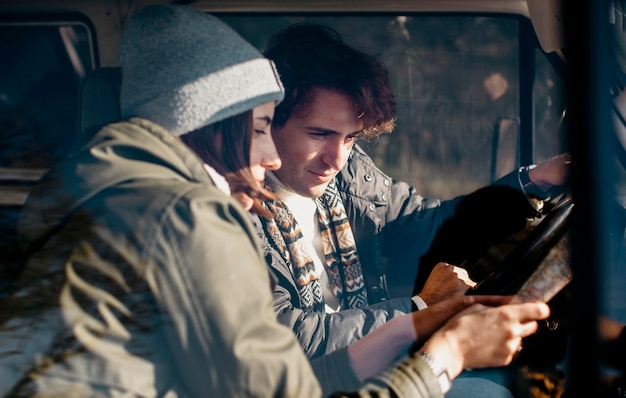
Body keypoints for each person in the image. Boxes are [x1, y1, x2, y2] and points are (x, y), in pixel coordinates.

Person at [0, 5, 551, 397]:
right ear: (214, 127)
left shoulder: (127, 194)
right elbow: (291, 362)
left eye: (352, 139)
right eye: (264, 127)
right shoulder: (191, 217)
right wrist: (441, 344)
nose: (267, 159)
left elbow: (279, 382)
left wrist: (530, 185)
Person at [251, 22, 571, 393]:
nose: (336, 159)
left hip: (375, 369)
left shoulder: (348, 176)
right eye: (319, 134)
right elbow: (288, 339)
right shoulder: (238, 208)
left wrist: (532, 182)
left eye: (351, 138)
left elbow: (428, 223)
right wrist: (420, 306)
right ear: (268, 122)